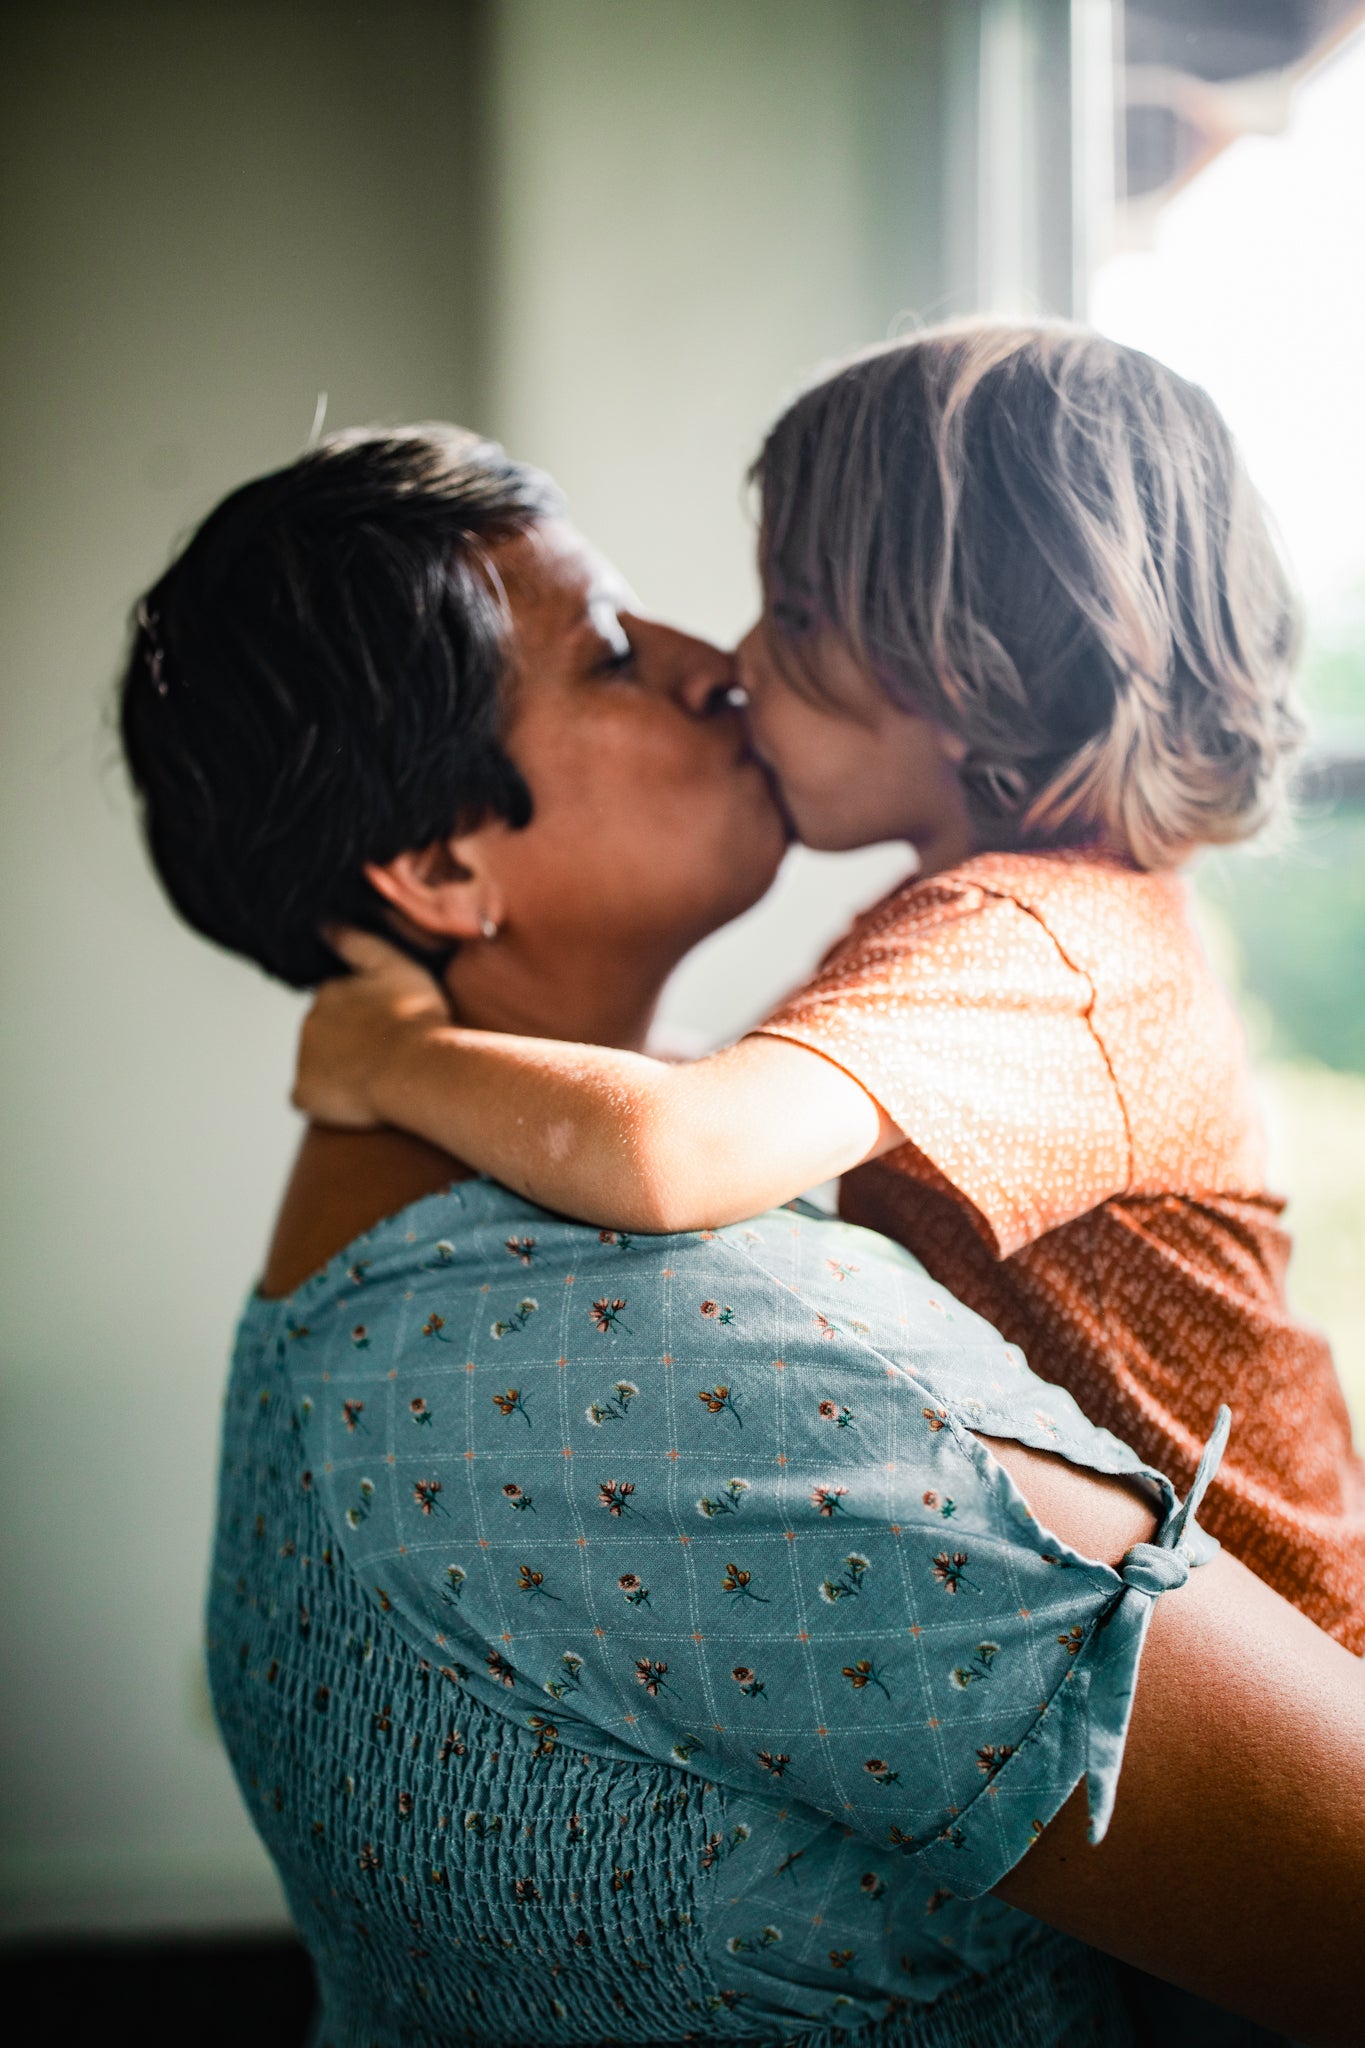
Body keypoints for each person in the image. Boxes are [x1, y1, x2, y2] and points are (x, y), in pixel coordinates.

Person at [118, 425, 1365, 2046]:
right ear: (438, 869)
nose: (722, 668)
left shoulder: (334, 1271)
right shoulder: (688, 1372)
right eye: (615, 658)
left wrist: (387, 1056)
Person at [291, 326, 1365, 1654]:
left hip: (1298, 1674)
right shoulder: (1014, 925)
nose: (738, 655)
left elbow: (674, 1152)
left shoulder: (1032, 945)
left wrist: (396, 1054)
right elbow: (735, 1112)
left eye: (796, 615)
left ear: (968, 670)